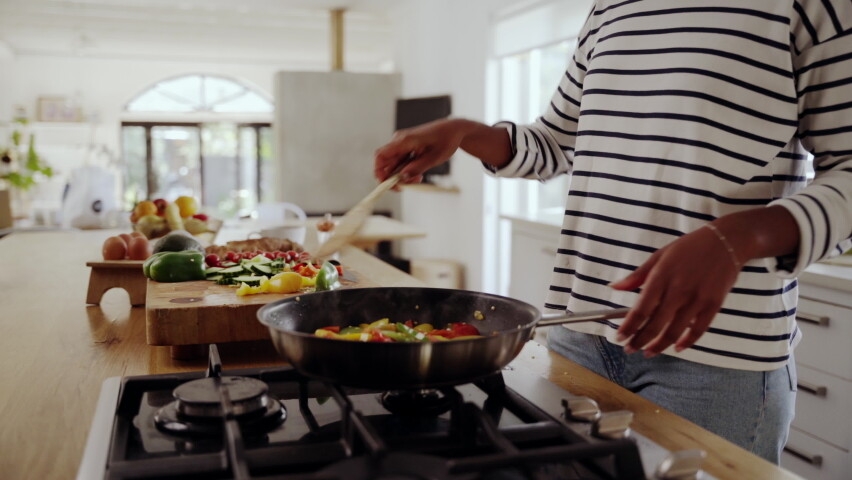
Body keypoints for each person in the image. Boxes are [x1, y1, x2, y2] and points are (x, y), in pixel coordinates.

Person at [374, 0, 852, 464]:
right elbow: (556, 142)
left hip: (714, 360)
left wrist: (739, 237)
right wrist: (464, 133)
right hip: (579, 334)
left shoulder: (811, 7)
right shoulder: (612, 7)